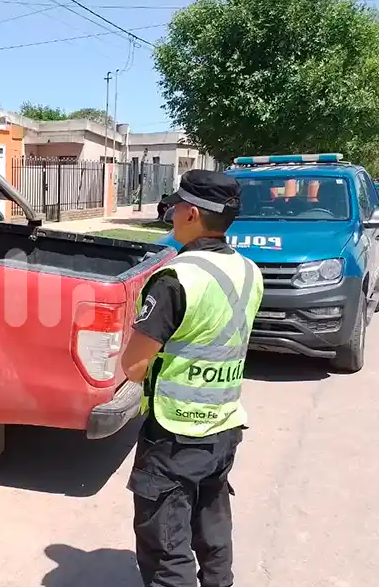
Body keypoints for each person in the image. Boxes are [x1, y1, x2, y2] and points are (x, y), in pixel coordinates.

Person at [120, 169, 264, 587]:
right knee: (212, 524)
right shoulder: (249, 270)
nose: (172, 212)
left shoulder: (176, 279)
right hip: (224, 424)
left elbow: (133, 366)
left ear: (192, 214)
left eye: (177, 205)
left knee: (165, 546)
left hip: (176, 431)